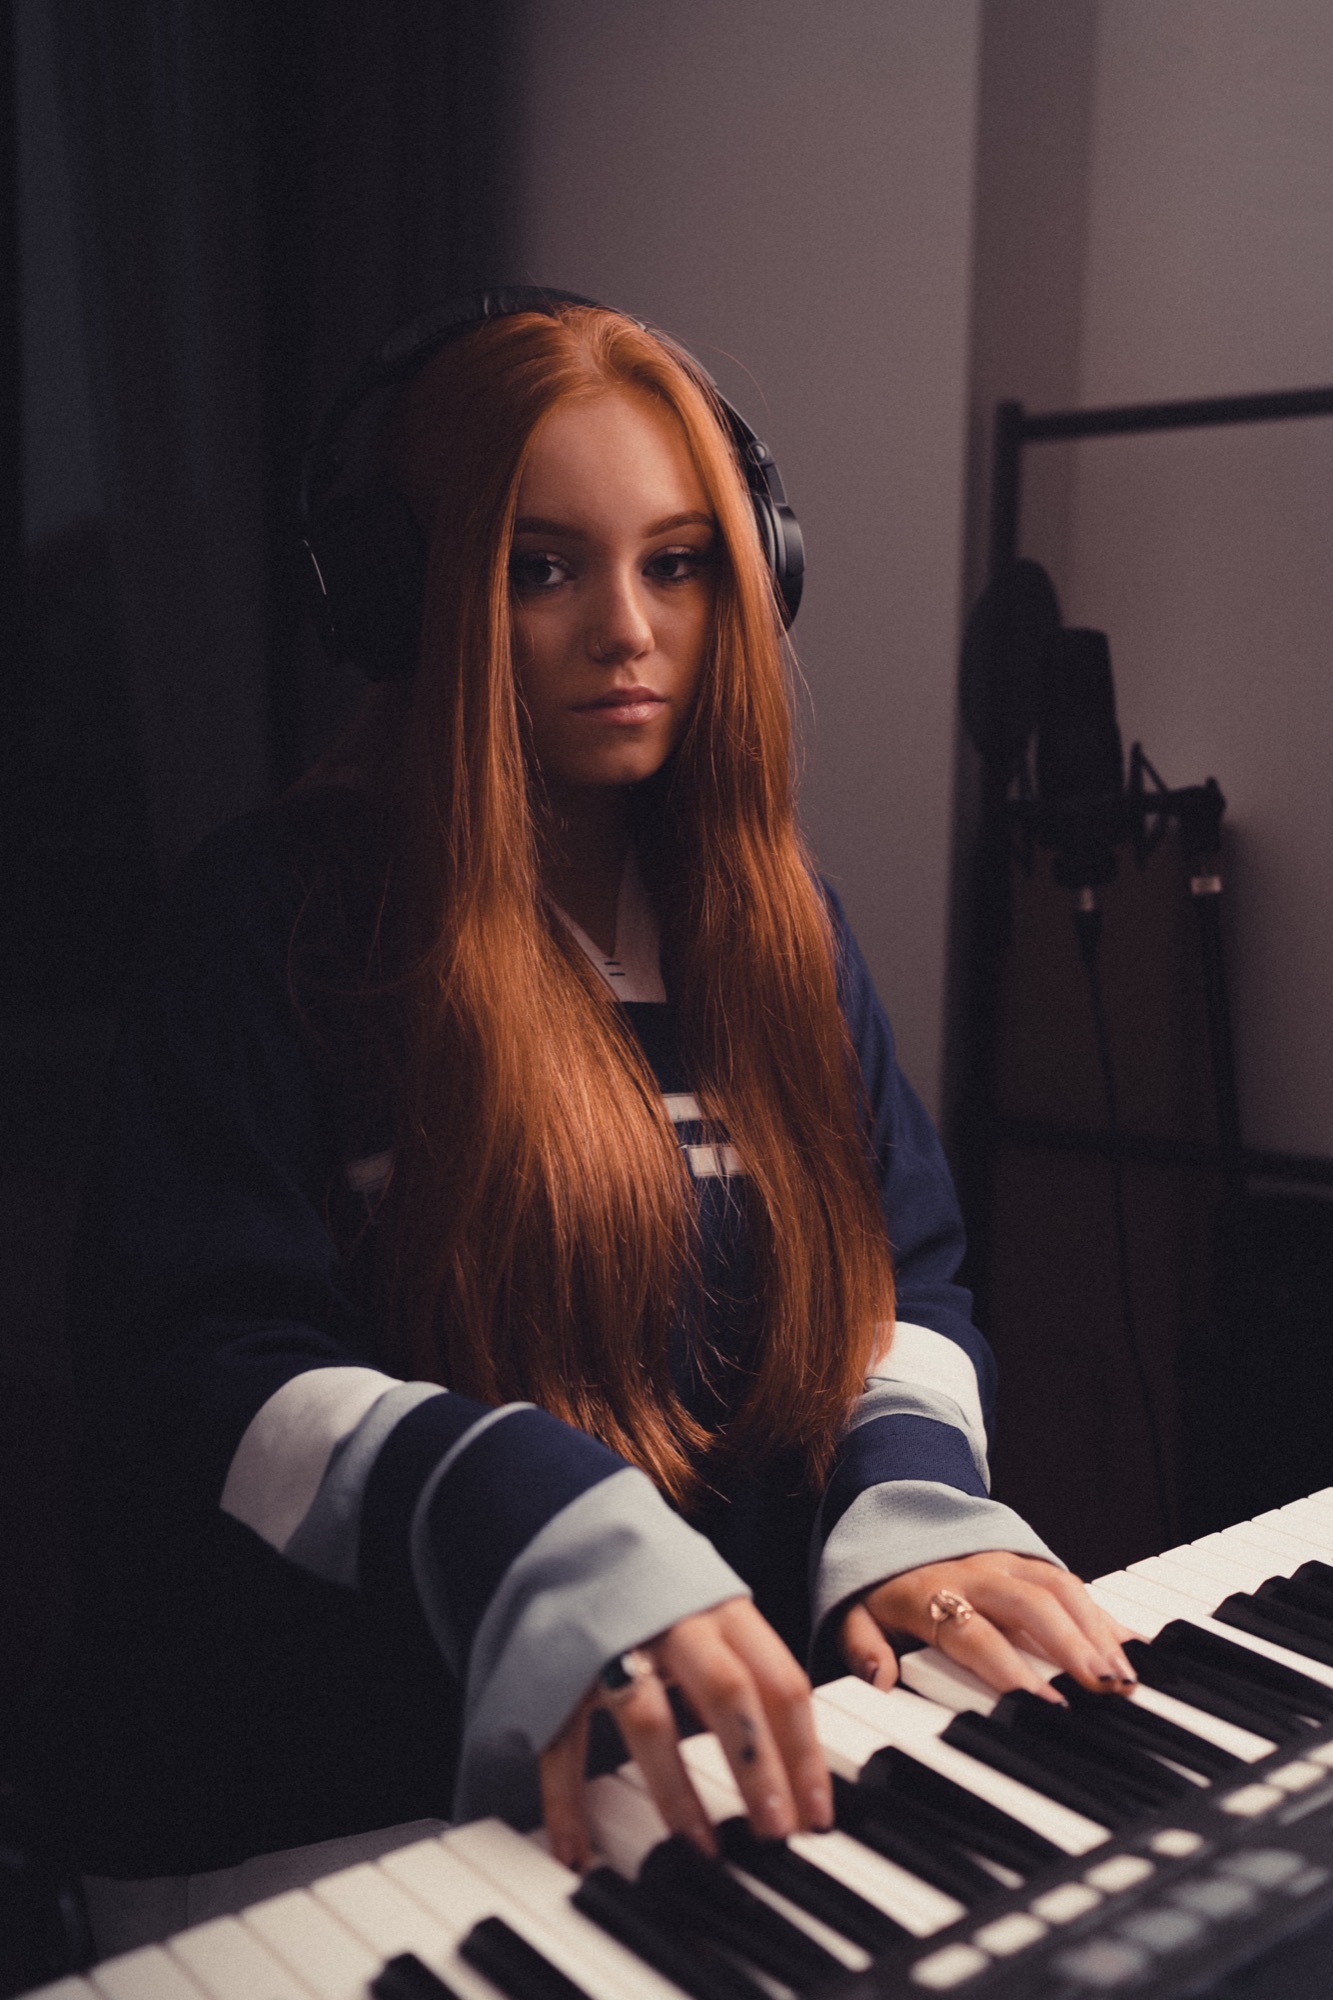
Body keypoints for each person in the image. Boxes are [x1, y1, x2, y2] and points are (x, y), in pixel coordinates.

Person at [66, 294, 1133, 1937]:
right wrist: (535, 1523)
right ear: (409, 599)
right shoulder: (268, 920)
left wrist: (910, 1509)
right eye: (541, 567)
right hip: (336, 1835)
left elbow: (899, 1291)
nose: (625, 628)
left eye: (680, 561)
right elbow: (205, 1366)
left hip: (708, 1786)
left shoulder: (784, 925)